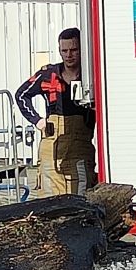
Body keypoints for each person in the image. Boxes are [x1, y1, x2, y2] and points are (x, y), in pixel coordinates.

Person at [14, 27, 96, 197]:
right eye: (64, 50)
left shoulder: (92, 75)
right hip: (51, 146)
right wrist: (37, 121)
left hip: (80, 148)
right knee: (50, 199)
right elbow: (21, 95)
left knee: (82, 198)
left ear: (82, 49)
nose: (69, 55)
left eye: (73, 50)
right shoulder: (48, 74)